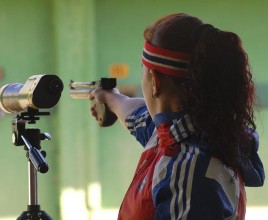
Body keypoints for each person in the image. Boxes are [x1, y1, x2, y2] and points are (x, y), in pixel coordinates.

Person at [89, 13, 265, 220]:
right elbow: (135, 113)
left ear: (154, 81)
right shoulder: (189, 134)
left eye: (144, 71)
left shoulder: (184, 173)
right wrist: (111, 98)